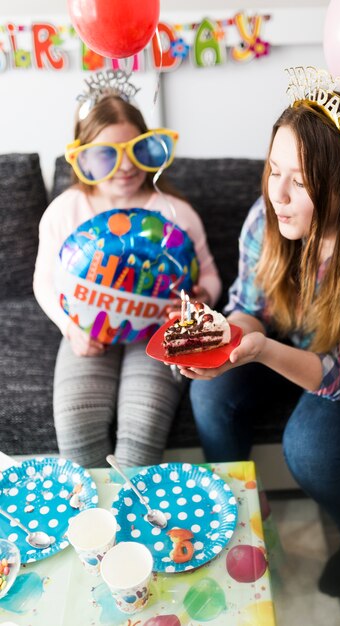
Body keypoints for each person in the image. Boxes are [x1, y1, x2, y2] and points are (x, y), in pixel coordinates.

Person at [184, 67, 340, 597]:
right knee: (208, 390)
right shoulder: (268, 217)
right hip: (293, 339)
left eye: (303, 181)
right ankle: (242, 511)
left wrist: (261, 349)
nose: (279, 195)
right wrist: (223, 341)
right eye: (274, 170)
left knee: (309, 447)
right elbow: (247, 307)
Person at [33, 70, 221, 469]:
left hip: (155, 332)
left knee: (143, 422)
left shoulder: (175, 213)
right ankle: (89, 518)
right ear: (82, 156)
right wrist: (71, 330)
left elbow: (210, 276)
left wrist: (201, 299)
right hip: (87, 328)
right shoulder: (66, 211)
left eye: (137, 150)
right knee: (75, 420)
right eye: (106, 153)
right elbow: (44, 281)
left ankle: (137, 519)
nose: (125, 166)